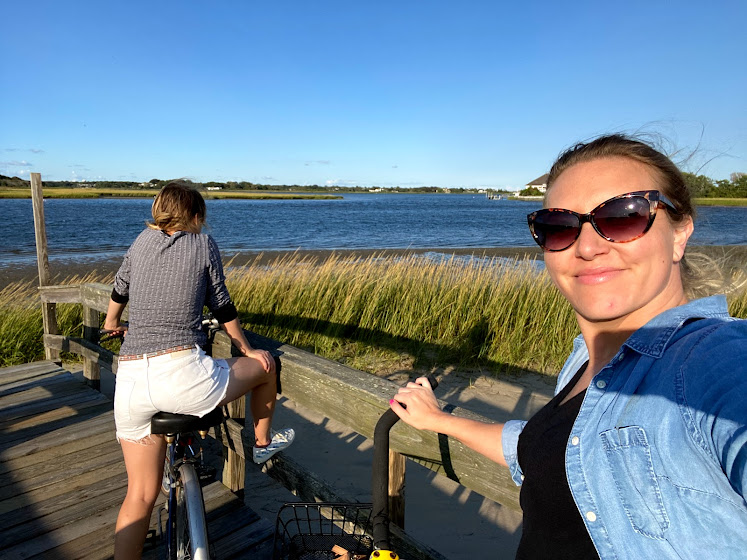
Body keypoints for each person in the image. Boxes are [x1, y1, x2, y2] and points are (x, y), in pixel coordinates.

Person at [389, 134, 747, 559]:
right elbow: (546, 449)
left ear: (679, 233)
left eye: (623, 217)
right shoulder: (585, 361)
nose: (588, 246)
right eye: (559, 226)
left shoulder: (713, 360)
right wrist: (439, 421)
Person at [104, 182, 295, 559]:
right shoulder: (202, 244)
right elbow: (220, 303)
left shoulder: (141, 241)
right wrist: (246, 347)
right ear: (196, 215)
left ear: (159, 208)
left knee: (139, 495)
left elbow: (120, 287)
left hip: (129, 382)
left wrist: (112, 322)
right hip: (181, 376)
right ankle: (260, 444)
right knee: (265, 367)